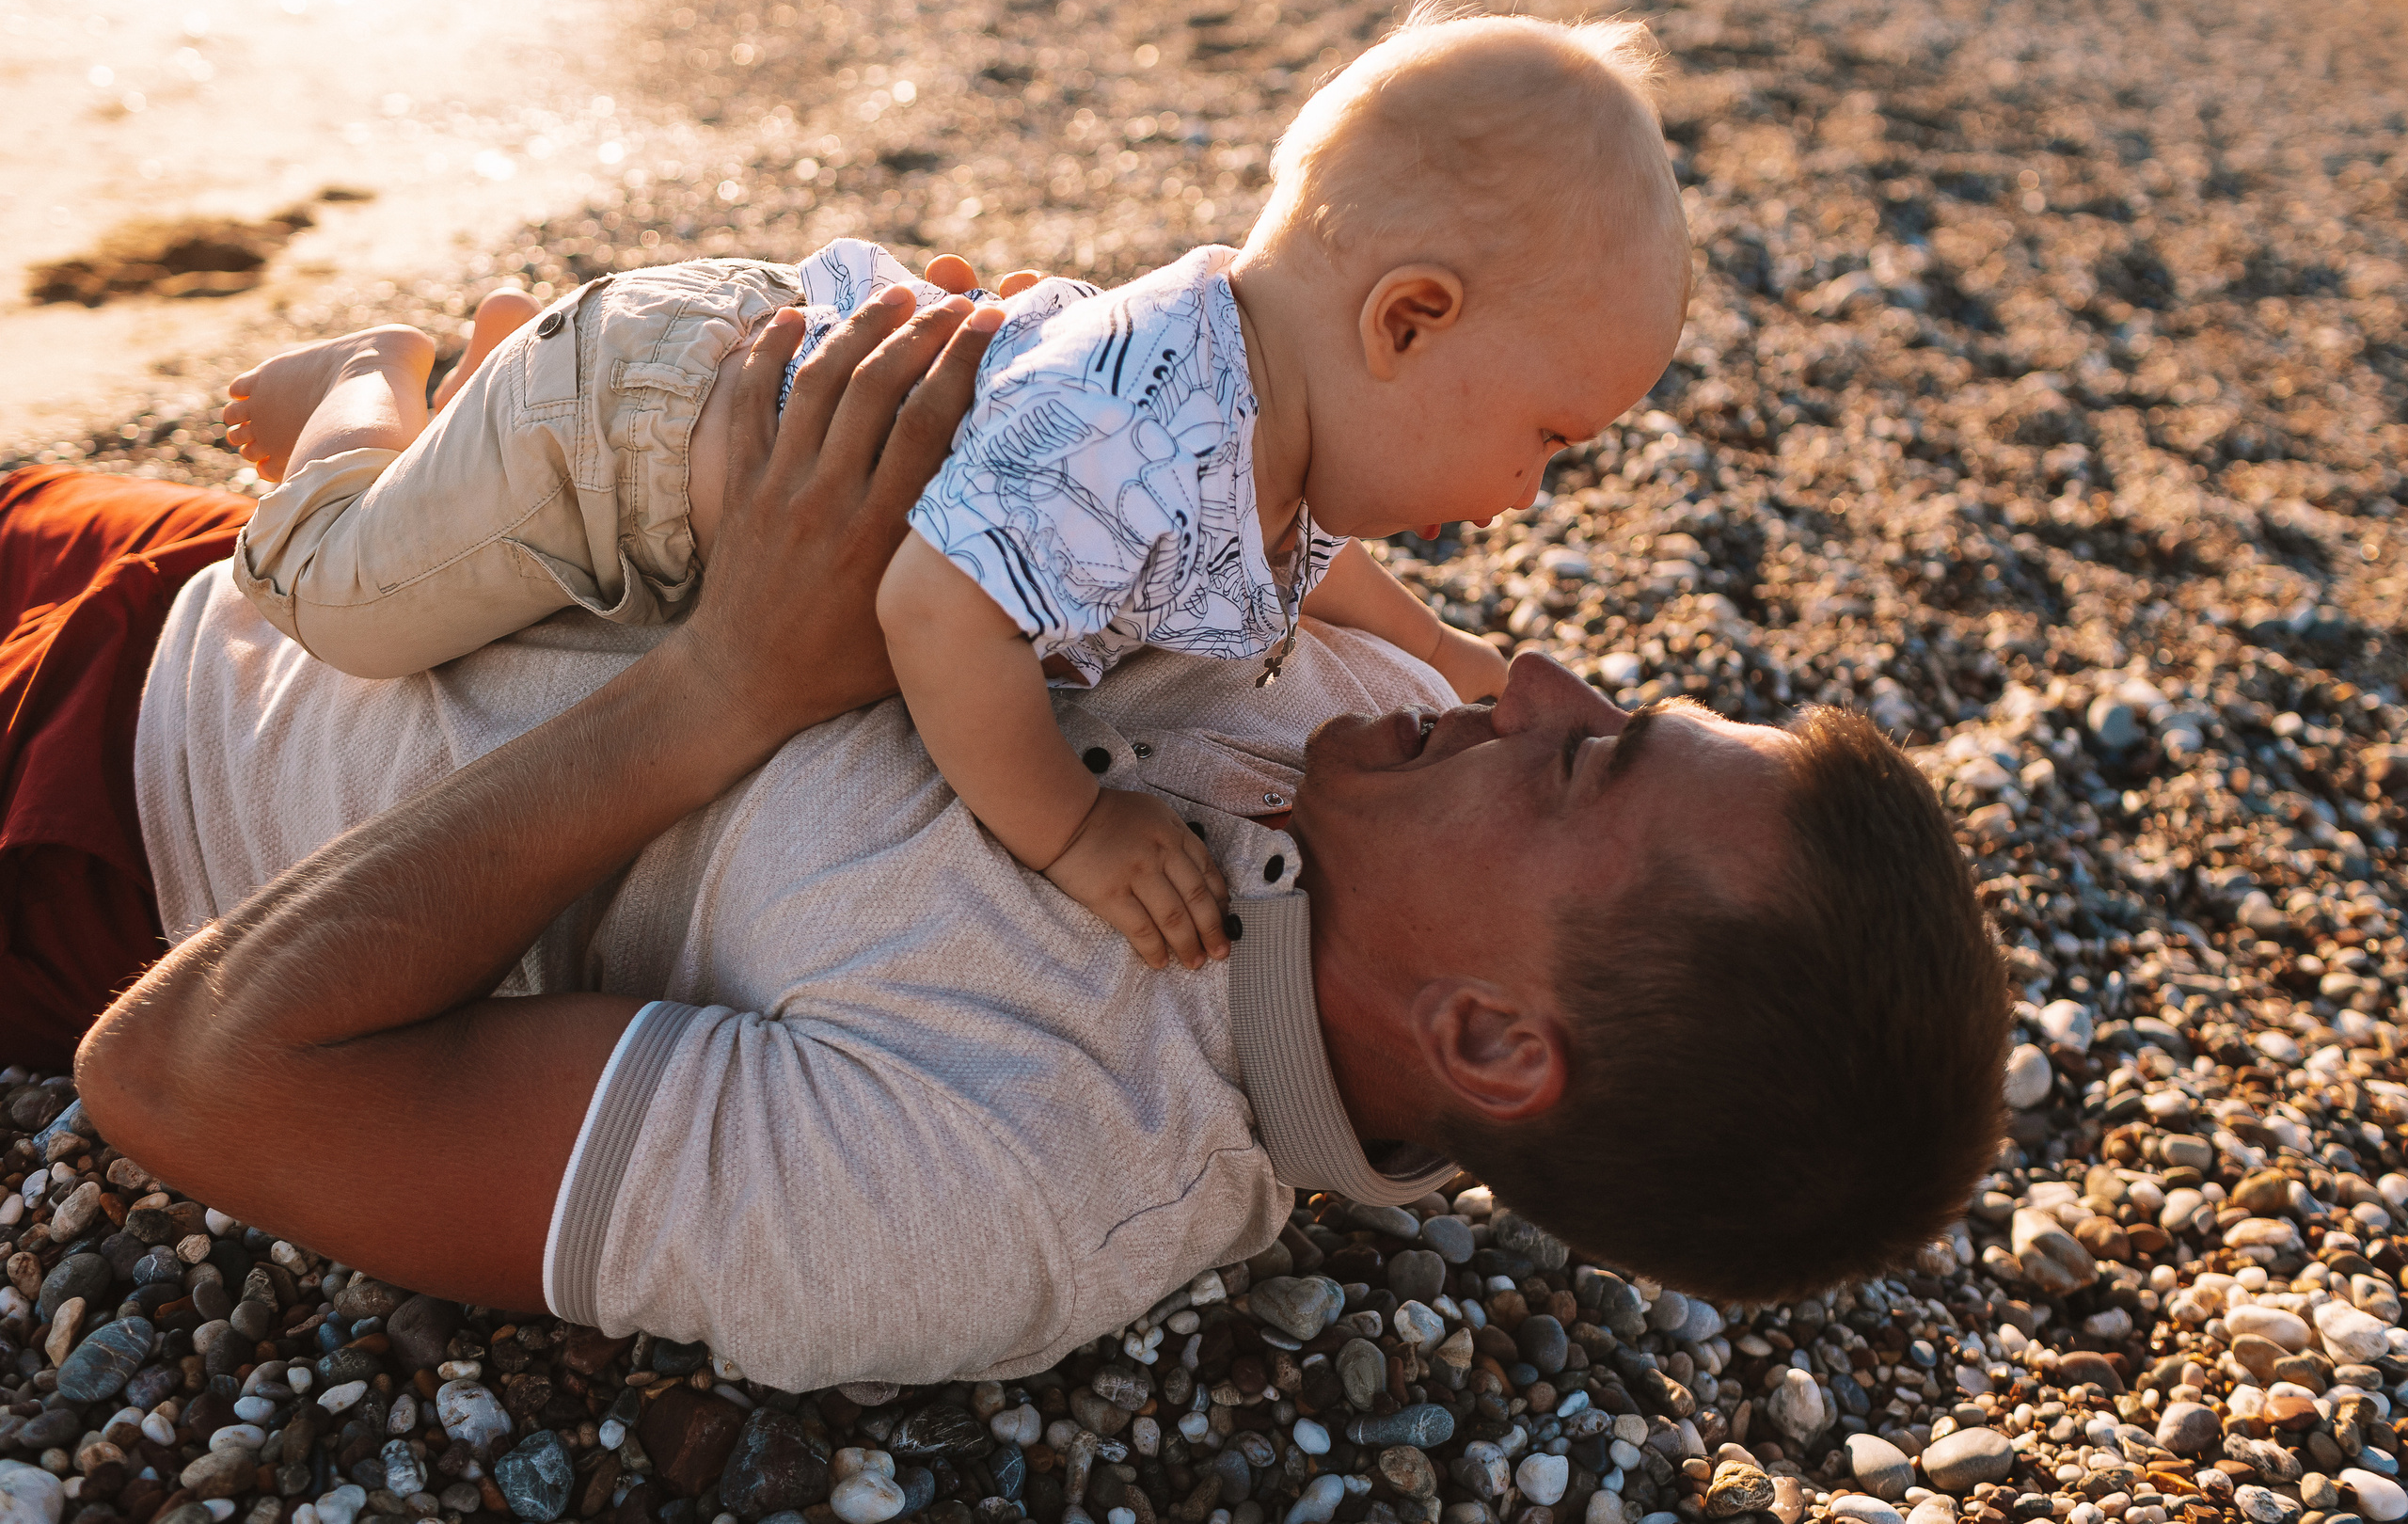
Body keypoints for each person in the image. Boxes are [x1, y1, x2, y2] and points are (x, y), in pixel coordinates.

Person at [67, 275, 2010, 1390]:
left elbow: (193, 1076)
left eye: (1584, 764)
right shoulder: (1370, 735)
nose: (1534, 685)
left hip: (103, 811)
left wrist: (728, 684)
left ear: (1495, 1041)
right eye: (1610, 703)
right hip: (227, 553)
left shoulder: (1005, 1177)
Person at [224, 8, 1691, 969]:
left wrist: (1443, 652)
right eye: (1550, 438)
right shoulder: (1144, 419)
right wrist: (1071, 826)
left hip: (713, 409)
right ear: (1408, 320)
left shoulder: (1272, 432)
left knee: (468, 534)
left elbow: (1309, 569)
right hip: (630, 430)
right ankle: (366, 387)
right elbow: (938, 611)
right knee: (343, 604)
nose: (1532, 494)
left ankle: (494, 373)